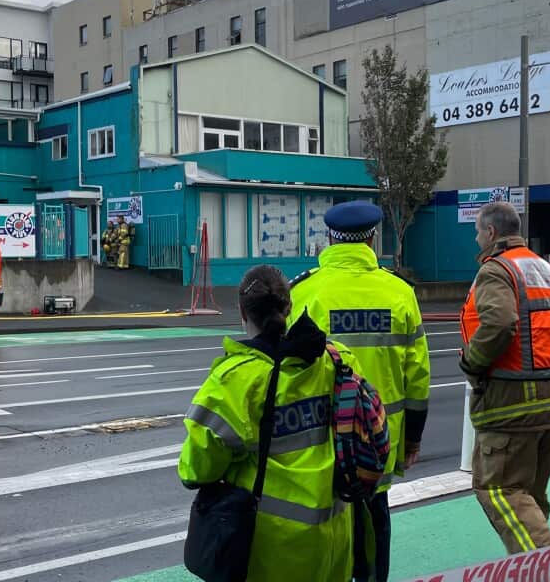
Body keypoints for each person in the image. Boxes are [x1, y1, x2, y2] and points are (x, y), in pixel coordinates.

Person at [179, 265, 357, 581]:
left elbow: (198, 468)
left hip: (269, 545)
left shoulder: (235, 380)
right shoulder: (335, 360)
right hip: (334, 538)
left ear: (242, 312)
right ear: (288, 307)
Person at [289, 200, 430, 582]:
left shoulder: (304, 293)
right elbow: (418, 379)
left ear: (330, 239)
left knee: (327, 519)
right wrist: (412, 440)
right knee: (375, 515)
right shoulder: (400, 293)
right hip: (379, 439)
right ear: (371, 239)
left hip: (322, 438)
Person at [459, 201, 550, 555]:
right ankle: (534, 563)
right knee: (529, 496)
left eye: (477, 232)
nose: (476, 239)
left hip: (511, 403)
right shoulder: (544, 270)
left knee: (500, 490)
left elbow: (500, 322)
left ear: (490, 233)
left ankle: (547, 569)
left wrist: (472, 363)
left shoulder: (496, 271)